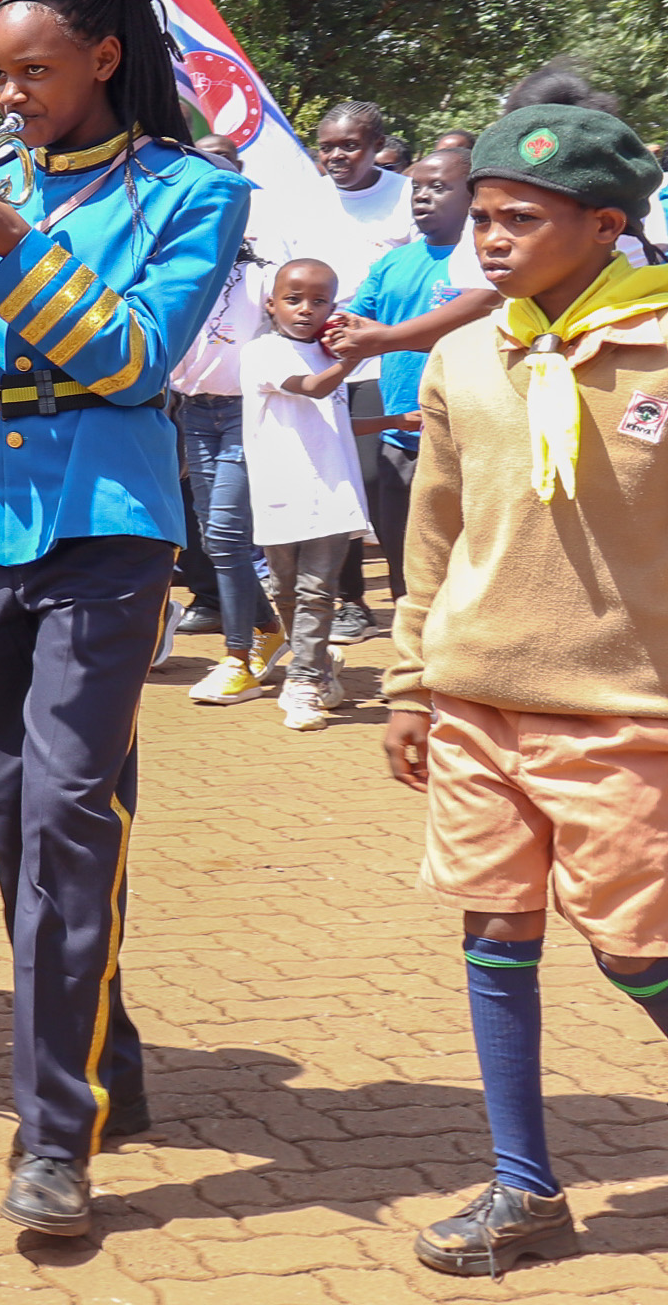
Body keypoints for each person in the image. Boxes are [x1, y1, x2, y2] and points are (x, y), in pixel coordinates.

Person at [0, 0, 250, 1235]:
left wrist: (13, 249)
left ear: (105, 59)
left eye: (33, 73)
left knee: (66, 815)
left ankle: (56, 1139)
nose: (10, 101)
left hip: (109, 522)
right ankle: (104, 1054)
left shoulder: (193, 193)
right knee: (13, 817)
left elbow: (132, 354)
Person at [382, 106, 668, 1278]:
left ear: (606, 225)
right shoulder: (462, 356)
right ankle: (524, 1189)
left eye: (521, 220)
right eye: (484, 219)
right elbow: (433, 530)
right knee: (495, 931)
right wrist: (409, 678)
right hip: (475, 704)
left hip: (628, 713)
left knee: (638, 952)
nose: (490, 241)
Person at [259, 100, 410, 646]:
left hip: (383, 356)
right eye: (328, 146)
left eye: (351, 145)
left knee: (369, 478)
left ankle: (396, 600)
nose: (338, 156)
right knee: (329, 476)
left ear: (377, 147)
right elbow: (276, 275)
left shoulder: (405, 197)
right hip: (312, 359)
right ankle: (348, 602)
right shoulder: (301, 199)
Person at [322, 147, 498, 603]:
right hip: (402, 436)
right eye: (417, 187)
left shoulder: (490, 257)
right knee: (408, 566)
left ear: (473, 195)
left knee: (470, 563)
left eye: (439, 188)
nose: (422, 197)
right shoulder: (393, 263)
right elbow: (352, 322)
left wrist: (385, 336)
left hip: (470, 437)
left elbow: (474, 318)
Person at [242, 258, 373, 731]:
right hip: (280, 490)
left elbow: (333, 420)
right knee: (285, 589)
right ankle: (314, 666)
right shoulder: (263, 352)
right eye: (294, 299)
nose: (305, 310)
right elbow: (315, 390)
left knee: (318, 592)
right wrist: (356, 354)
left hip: (334, 492)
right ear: (271, 303)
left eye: (319, 302)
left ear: (333, 306)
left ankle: (302, 682)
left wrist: (393, 422)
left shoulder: (329, 353)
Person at [168, 228, 288, 704]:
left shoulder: (262, 277)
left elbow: (304, 324)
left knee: (223, 533)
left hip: (247, 414)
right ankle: (266, 627)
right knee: (214, 533)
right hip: (195, 414)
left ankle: (238, 658)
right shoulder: (177, 273)